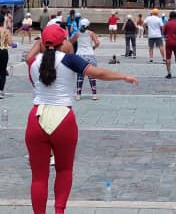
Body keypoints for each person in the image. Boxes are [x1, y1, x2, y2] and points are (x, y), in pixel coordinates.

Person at [24, 24, 137, 214]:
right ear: (63, 42)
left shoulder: (34, 63)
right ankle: (59, 211)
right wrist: (123, 76)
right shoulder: (70, 60)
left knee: (38, 177)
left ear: (43, 43)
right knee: (64, 170)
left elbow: (30, 56)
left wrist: (41, 43)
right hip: (63, 119)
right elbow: (97, 73)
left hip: (37, 117)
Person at [74, 18, 100, 100]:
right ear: (88, 25)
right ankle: (94, 94)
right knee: (91, 75)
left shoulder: (77, 33)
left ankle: (78, 95)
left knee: (80, 76)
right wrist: (93, 48)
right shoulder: (91, 33)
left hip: (79, 55)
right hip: (89, 54)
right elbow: (97, 43)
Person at [163, 11, 176, 79]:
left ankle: (169, 73)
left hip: (169, 42)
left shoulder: (167, 23)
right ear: (175, 16)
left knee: (168, 58)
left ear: (169, 16)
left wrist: (166, 36)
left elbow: (163, 32)